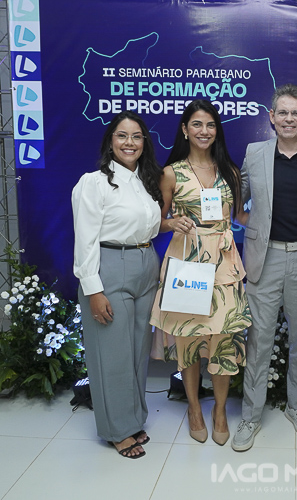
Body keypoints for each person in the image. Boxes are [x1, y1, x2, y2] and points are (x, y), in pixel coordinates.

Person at [232, 84, 297, 451]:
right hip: (265, 257)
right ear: (271, 117)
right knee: (258, 341)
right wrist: (248, 221)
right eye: (283, 112)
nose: (289, 119)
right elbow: (235, 195)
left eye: (296, 113)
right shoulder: (254, 153)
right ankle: (250, 416)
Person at [150, 99, 251, 446]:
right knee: (189, 340)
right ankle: (194, 407)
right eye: (196, 124)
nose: (204, 131)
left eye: (210, 125)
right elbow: (156, 221)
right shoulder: (171, 173)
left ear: (216, 130)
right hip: (188, 263)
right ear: (184, 130)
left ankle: (219, 410)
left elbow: (242, 217)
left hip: (224, 264)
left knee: (224, 339)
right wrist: (171, 223)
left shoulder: (230, 171)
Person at [72, 110, 163, 459]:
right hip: (110, 265)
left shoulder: (146, 182)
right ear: (110, 141)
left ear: (144, 142)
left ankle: (133, 419)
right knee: (112, 353)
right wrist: (94, 290)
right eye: (122, 135)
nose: (130, 142)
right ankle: (116, 430)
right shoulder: (93, 183)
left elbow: (148, 227)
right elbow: (84, 241)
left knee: (137, 350)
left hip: (145, 263)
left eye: (137, 136)